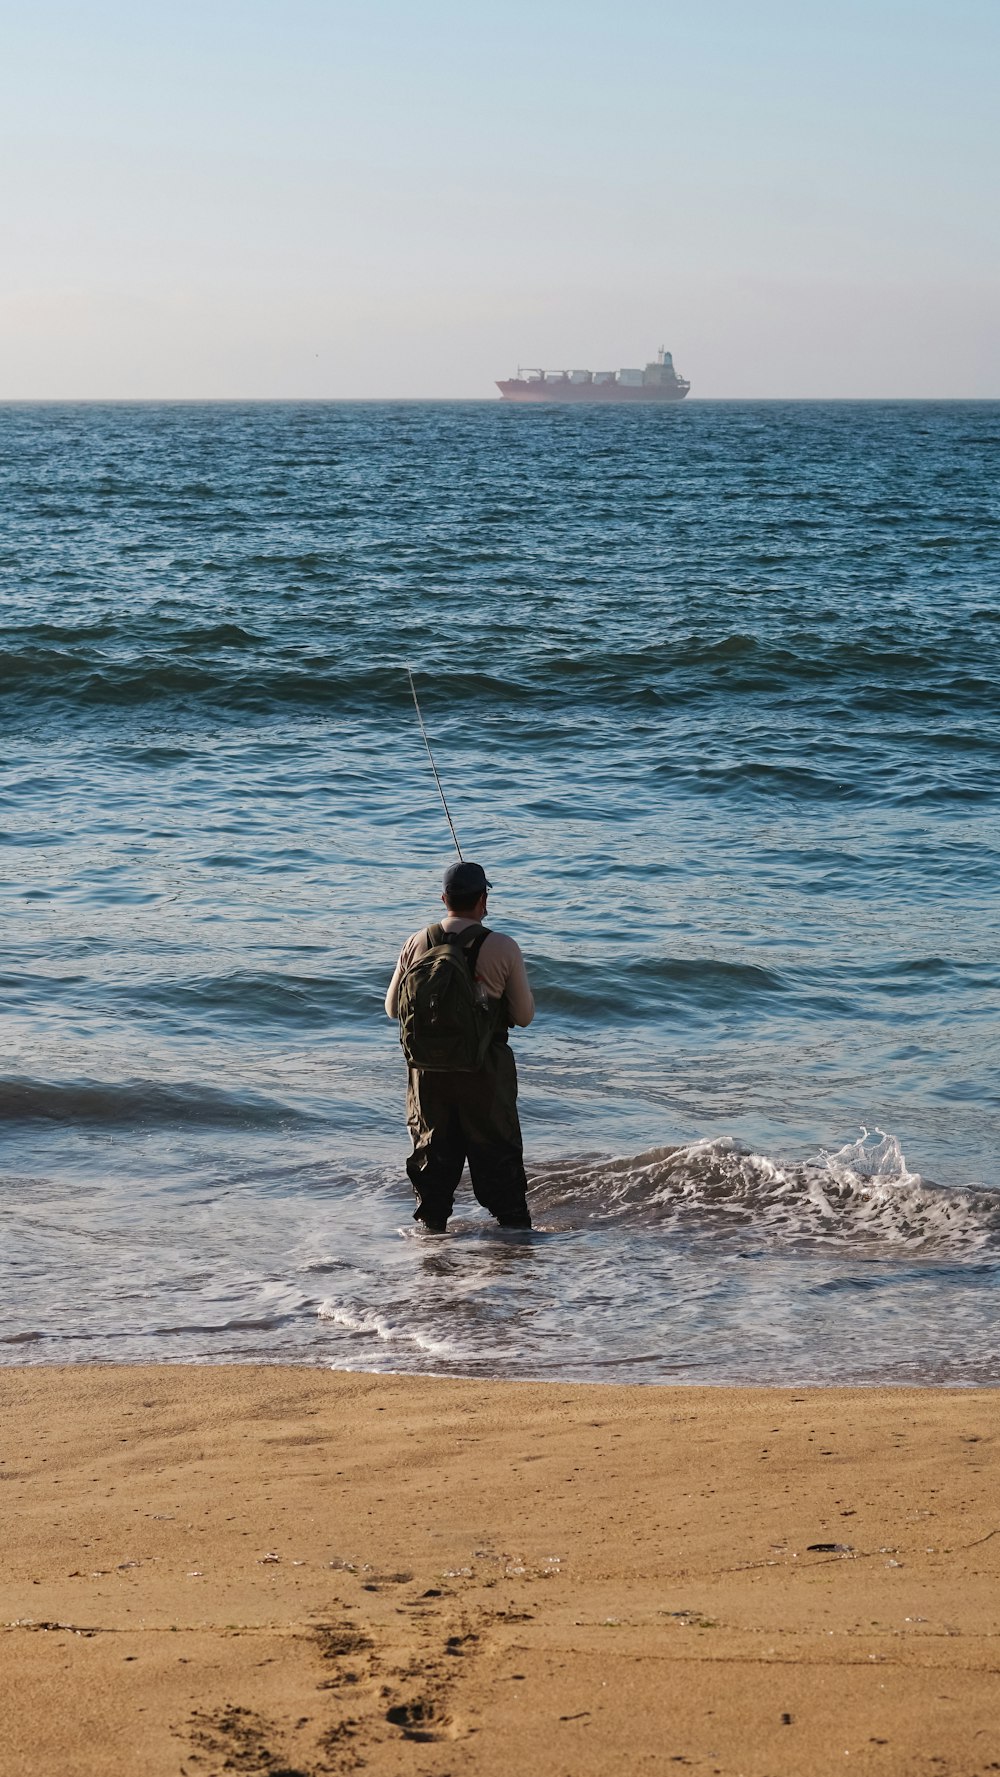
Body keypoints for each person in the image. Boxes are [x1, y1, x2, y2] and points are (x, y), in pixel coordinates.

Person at [385, 860, 535, 1232]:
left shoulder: (416, 941)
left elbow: (392, 1009)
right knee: (498, 1160)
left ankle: (431, 1250)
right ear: (483, 899)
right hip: (484, 1071)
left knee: (432, 1160)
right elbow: (524, 1015)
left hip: (427, 1074)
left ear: (444, 898)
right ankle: (515, 1249)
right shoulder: (501, 945)